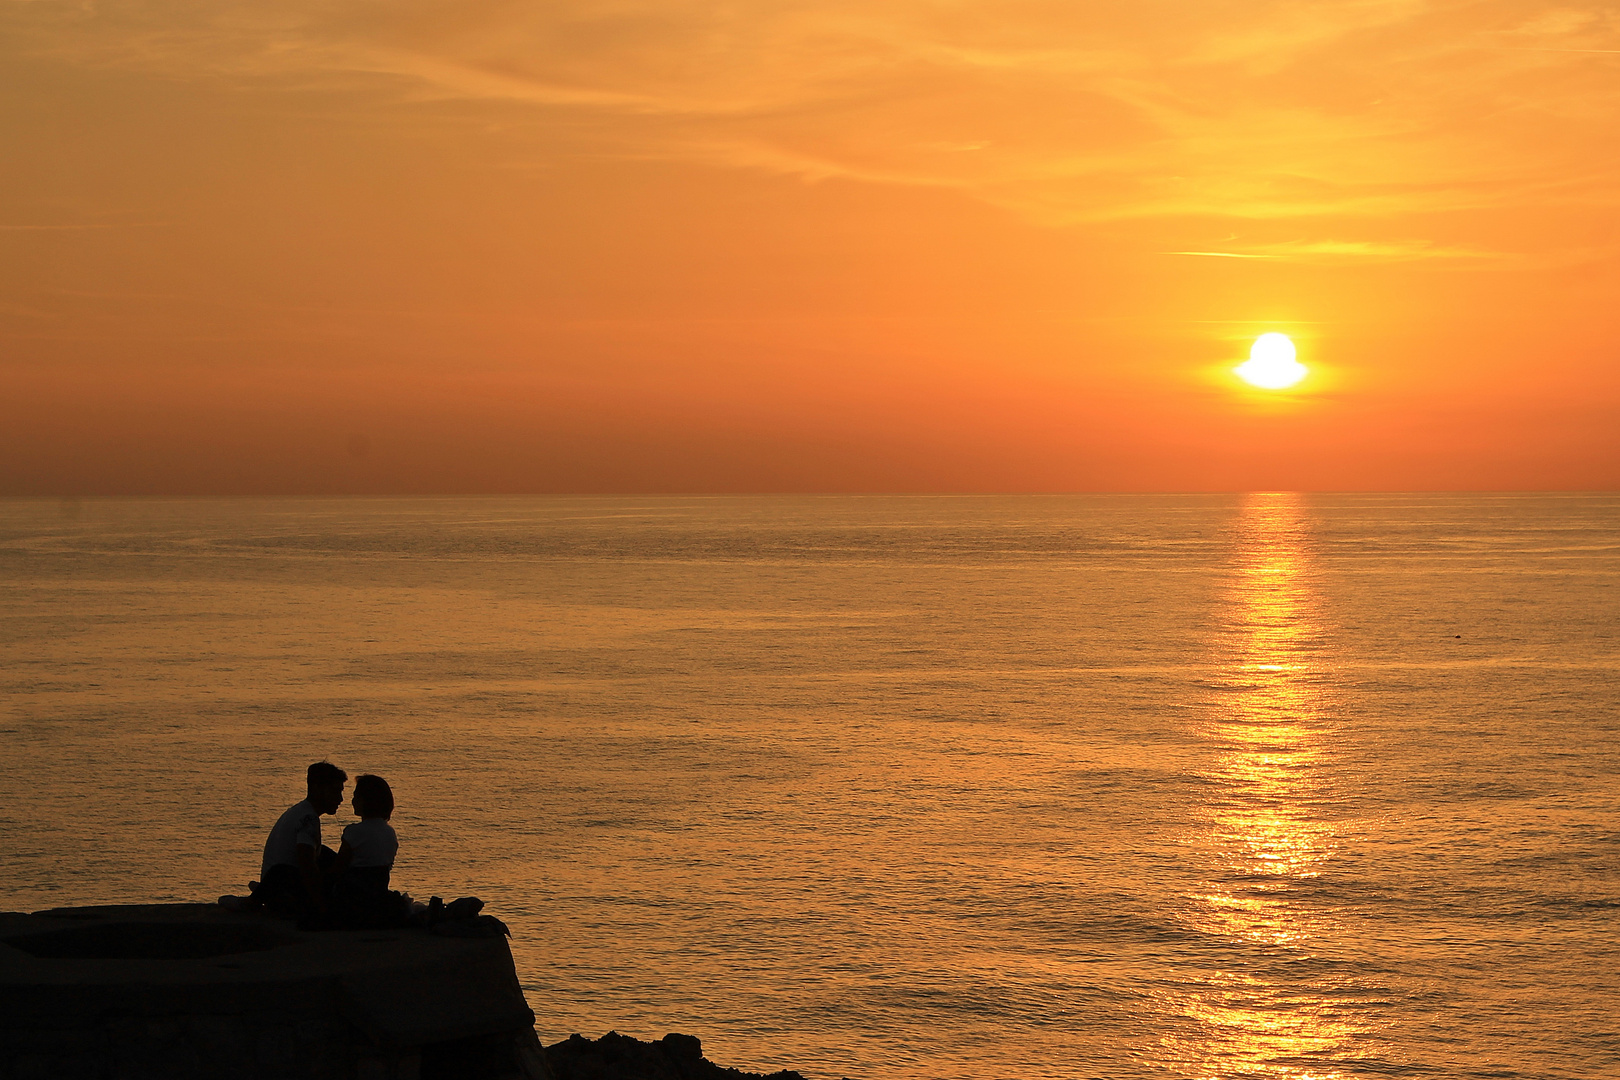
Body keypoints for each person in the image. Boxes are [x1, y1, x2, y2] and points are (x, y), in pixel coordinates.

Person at [245, 761, 347, 920]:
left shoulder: (297, 811)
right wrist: (322, 906)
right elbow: (307, 864)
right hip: (285, 895)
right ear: (317, 788)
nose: (340, 799)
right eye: (335, 791)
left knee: (325, 852)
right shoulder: (308, 818)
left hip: (278, 888)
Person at [330, 773, 406, 928]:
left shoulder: (353, 832)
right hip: (378, 898)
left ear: (367, 801)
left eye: (356, 797)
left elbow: (338, 869)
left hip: (354, 899)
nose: (352, 801)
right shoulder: (390, 833)